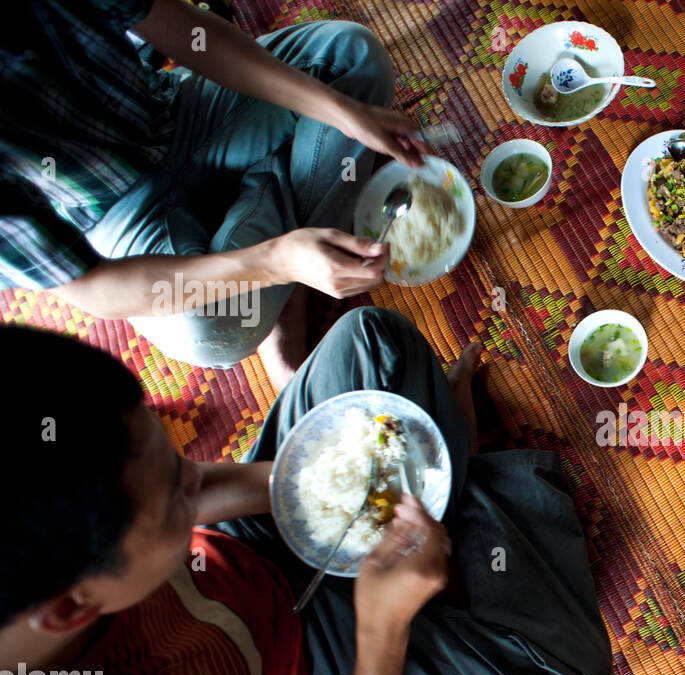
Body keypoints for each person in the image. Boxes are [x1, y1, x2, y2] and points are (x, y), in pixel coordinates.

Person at [0, 312, 613, 675]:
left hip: (244, 551)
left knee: (373, 345)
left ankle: (450, 499)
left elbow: (195, 493)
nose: (194, 478)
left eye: (175, 460)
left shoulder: (69, 549)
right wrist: (381, 630)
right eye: (171, 492)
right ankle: (457, 496)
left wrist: (334, 484)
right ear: (71, 606)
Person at [1, 0, 431, 388]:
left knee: (353, 56)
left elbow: (191, 35)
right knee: (210, 330)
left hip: (173, 111)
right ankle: (283, 237)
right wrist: (274, 263)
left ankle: (283, 274)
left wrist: (342, 113)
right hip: (113, 212)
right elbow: (91, 288)